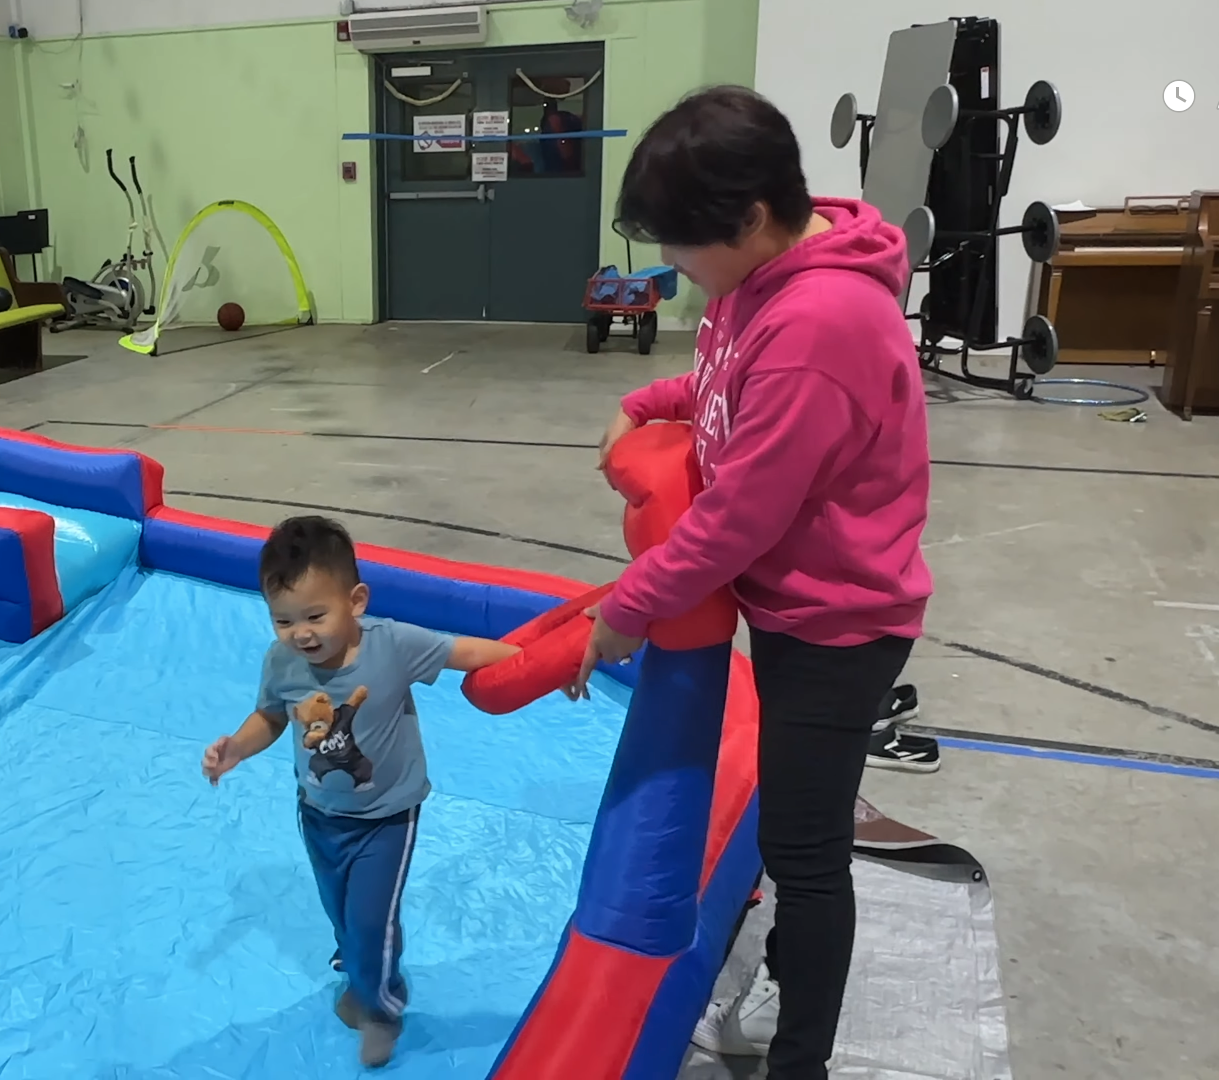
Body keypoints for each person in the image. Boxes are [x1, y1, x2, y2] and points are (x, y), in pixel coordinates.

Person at [567, 85, 933, 1080]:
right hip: (788, 605)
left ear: (752, 218)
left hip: (837, 624)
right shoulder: (761, 278)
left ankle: (798, 1061)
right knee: (790, 822)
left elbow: (740, 519)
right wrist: (651, 398)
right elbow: (727, 381)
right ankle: (780, 987)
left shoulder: (823, 323)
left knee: (806, 854)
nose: (673, 264)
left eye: (682, 243)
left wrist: (626, 610)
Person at [202, 516, 518, 1068]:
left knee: (371, 923)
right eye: (283, 620)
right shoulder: (282, 661)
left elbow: (464, 652)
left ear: (356, 602)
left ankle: (381, 1011)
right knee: (342, 916)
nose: (301, 634)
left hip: (386, 817)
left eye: (315, 616)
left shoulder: (391, 646)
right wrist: (236, 749)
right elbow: (270, 717)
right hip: (319, 813)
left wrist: (543, 663)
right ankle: (362, 972)